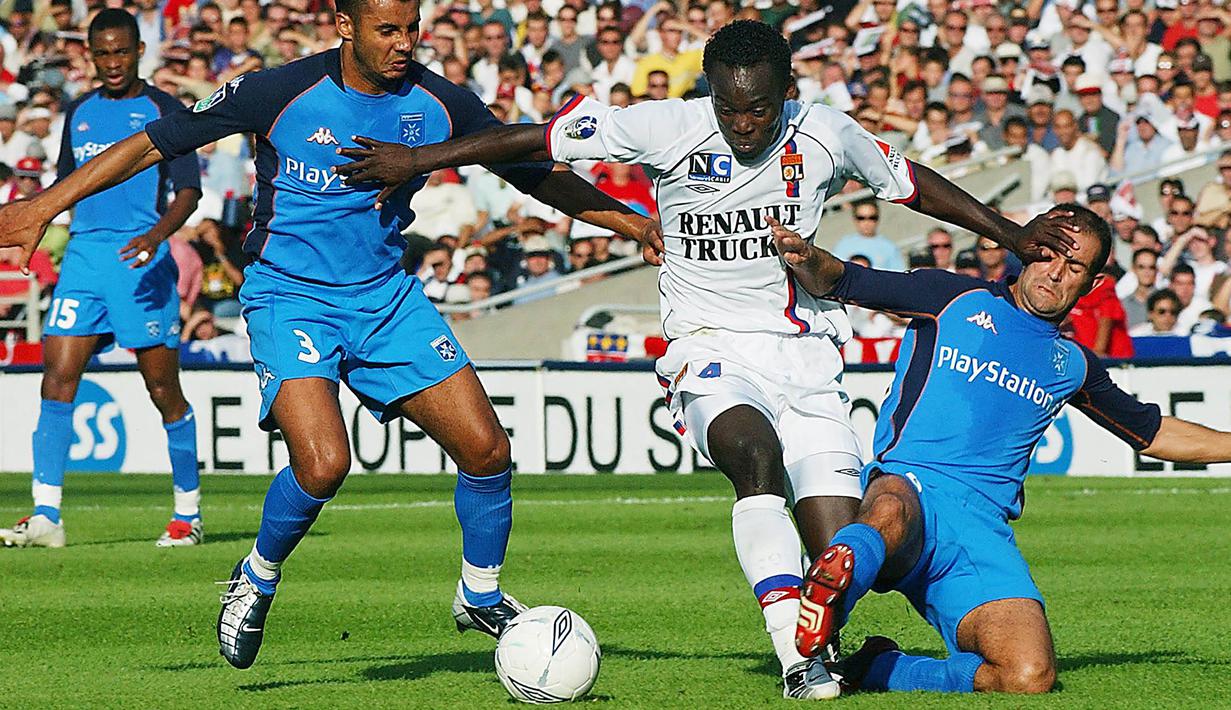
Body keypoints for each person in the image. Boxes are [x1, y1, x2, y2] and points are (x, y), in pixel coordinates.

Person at [332, 19, 1076, 701]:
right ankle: (795, 660)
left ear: (787, 91)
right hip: (708, 345)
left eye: (759, 109)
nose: (743, 124)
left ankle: (847, 655)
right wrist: (420, 159)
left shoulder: (826, 133)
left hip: (807, 359)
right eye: (728, 108)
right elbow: (534, 140)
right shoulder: (667, 125)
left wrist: (1009, 235)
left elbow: (913, 185)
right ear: (709, 94)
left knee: (837, 546)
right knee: (752, 457)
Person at [0, 0, 659, 671]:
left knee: (487, 451)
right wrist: (43, 205)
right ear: (346, 26)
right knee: (323, 463)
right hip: (289, 297)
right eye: (387, 30)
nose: (403, 44)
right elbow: (153, 143)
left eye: (411, 29)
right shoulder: (278, 91)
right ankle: (256, 576)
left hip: (385, 298)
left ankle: (480, 594)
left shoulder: (440, 102)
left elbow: (534, 172)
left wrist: (633, 224)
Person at [777, 204, 1231, 695]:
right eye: (1049, 254)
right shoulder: (950, 296)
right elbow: (843, 279)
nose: (1055, 272)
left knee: (1028, 676)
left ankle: (877, 667)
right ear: (1028, 248)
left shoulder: (1073, 365)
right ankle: (827, 605)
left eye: (1074, 266)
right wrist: (806, 257)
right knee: (889, 507)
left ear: (1092, 284)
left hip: (982, 532)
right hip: (913, 491)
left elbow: (1153, 434)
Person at [0, 10, 204, 550]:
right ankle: (47, 515)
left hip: (139, 262)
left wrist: (157, 236)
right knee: (56, 378)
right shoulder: (79, 111)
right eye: (103, 53)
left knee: (163, 389)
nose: (113, 62)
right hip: (84, 260)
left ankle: (188, 512)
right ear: (91, 56)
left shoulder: (165, 110)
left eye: (121, 51)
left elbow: (189, 191)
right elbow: (64, 187)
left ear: (139, 51)